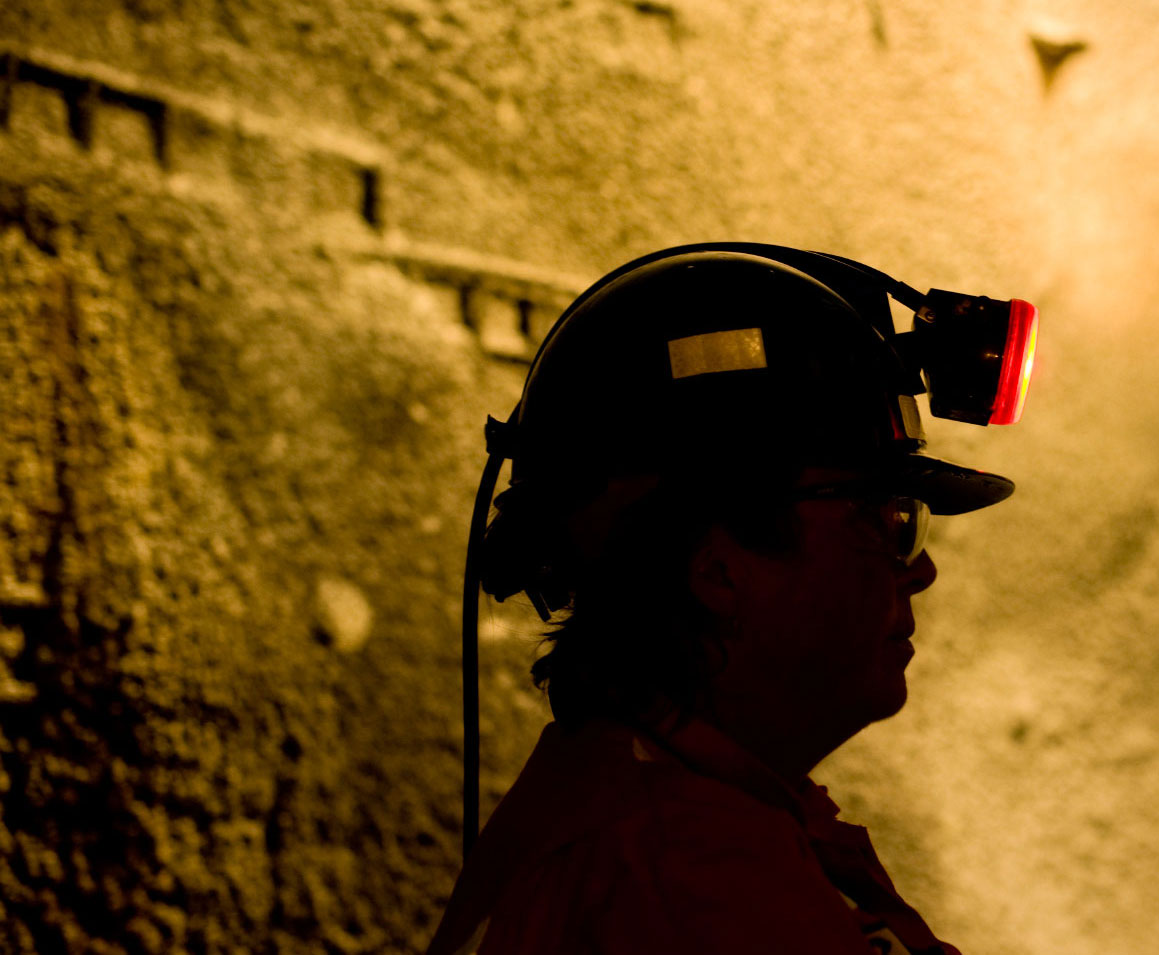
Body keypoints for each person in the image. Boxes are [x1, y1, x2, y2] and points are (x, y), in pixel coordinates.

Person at [426, 246, 1032, 955]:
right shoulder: (686, 878)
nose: (919, 568)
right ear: (716, 570)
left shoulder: (669, 814)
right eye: (881, 518)